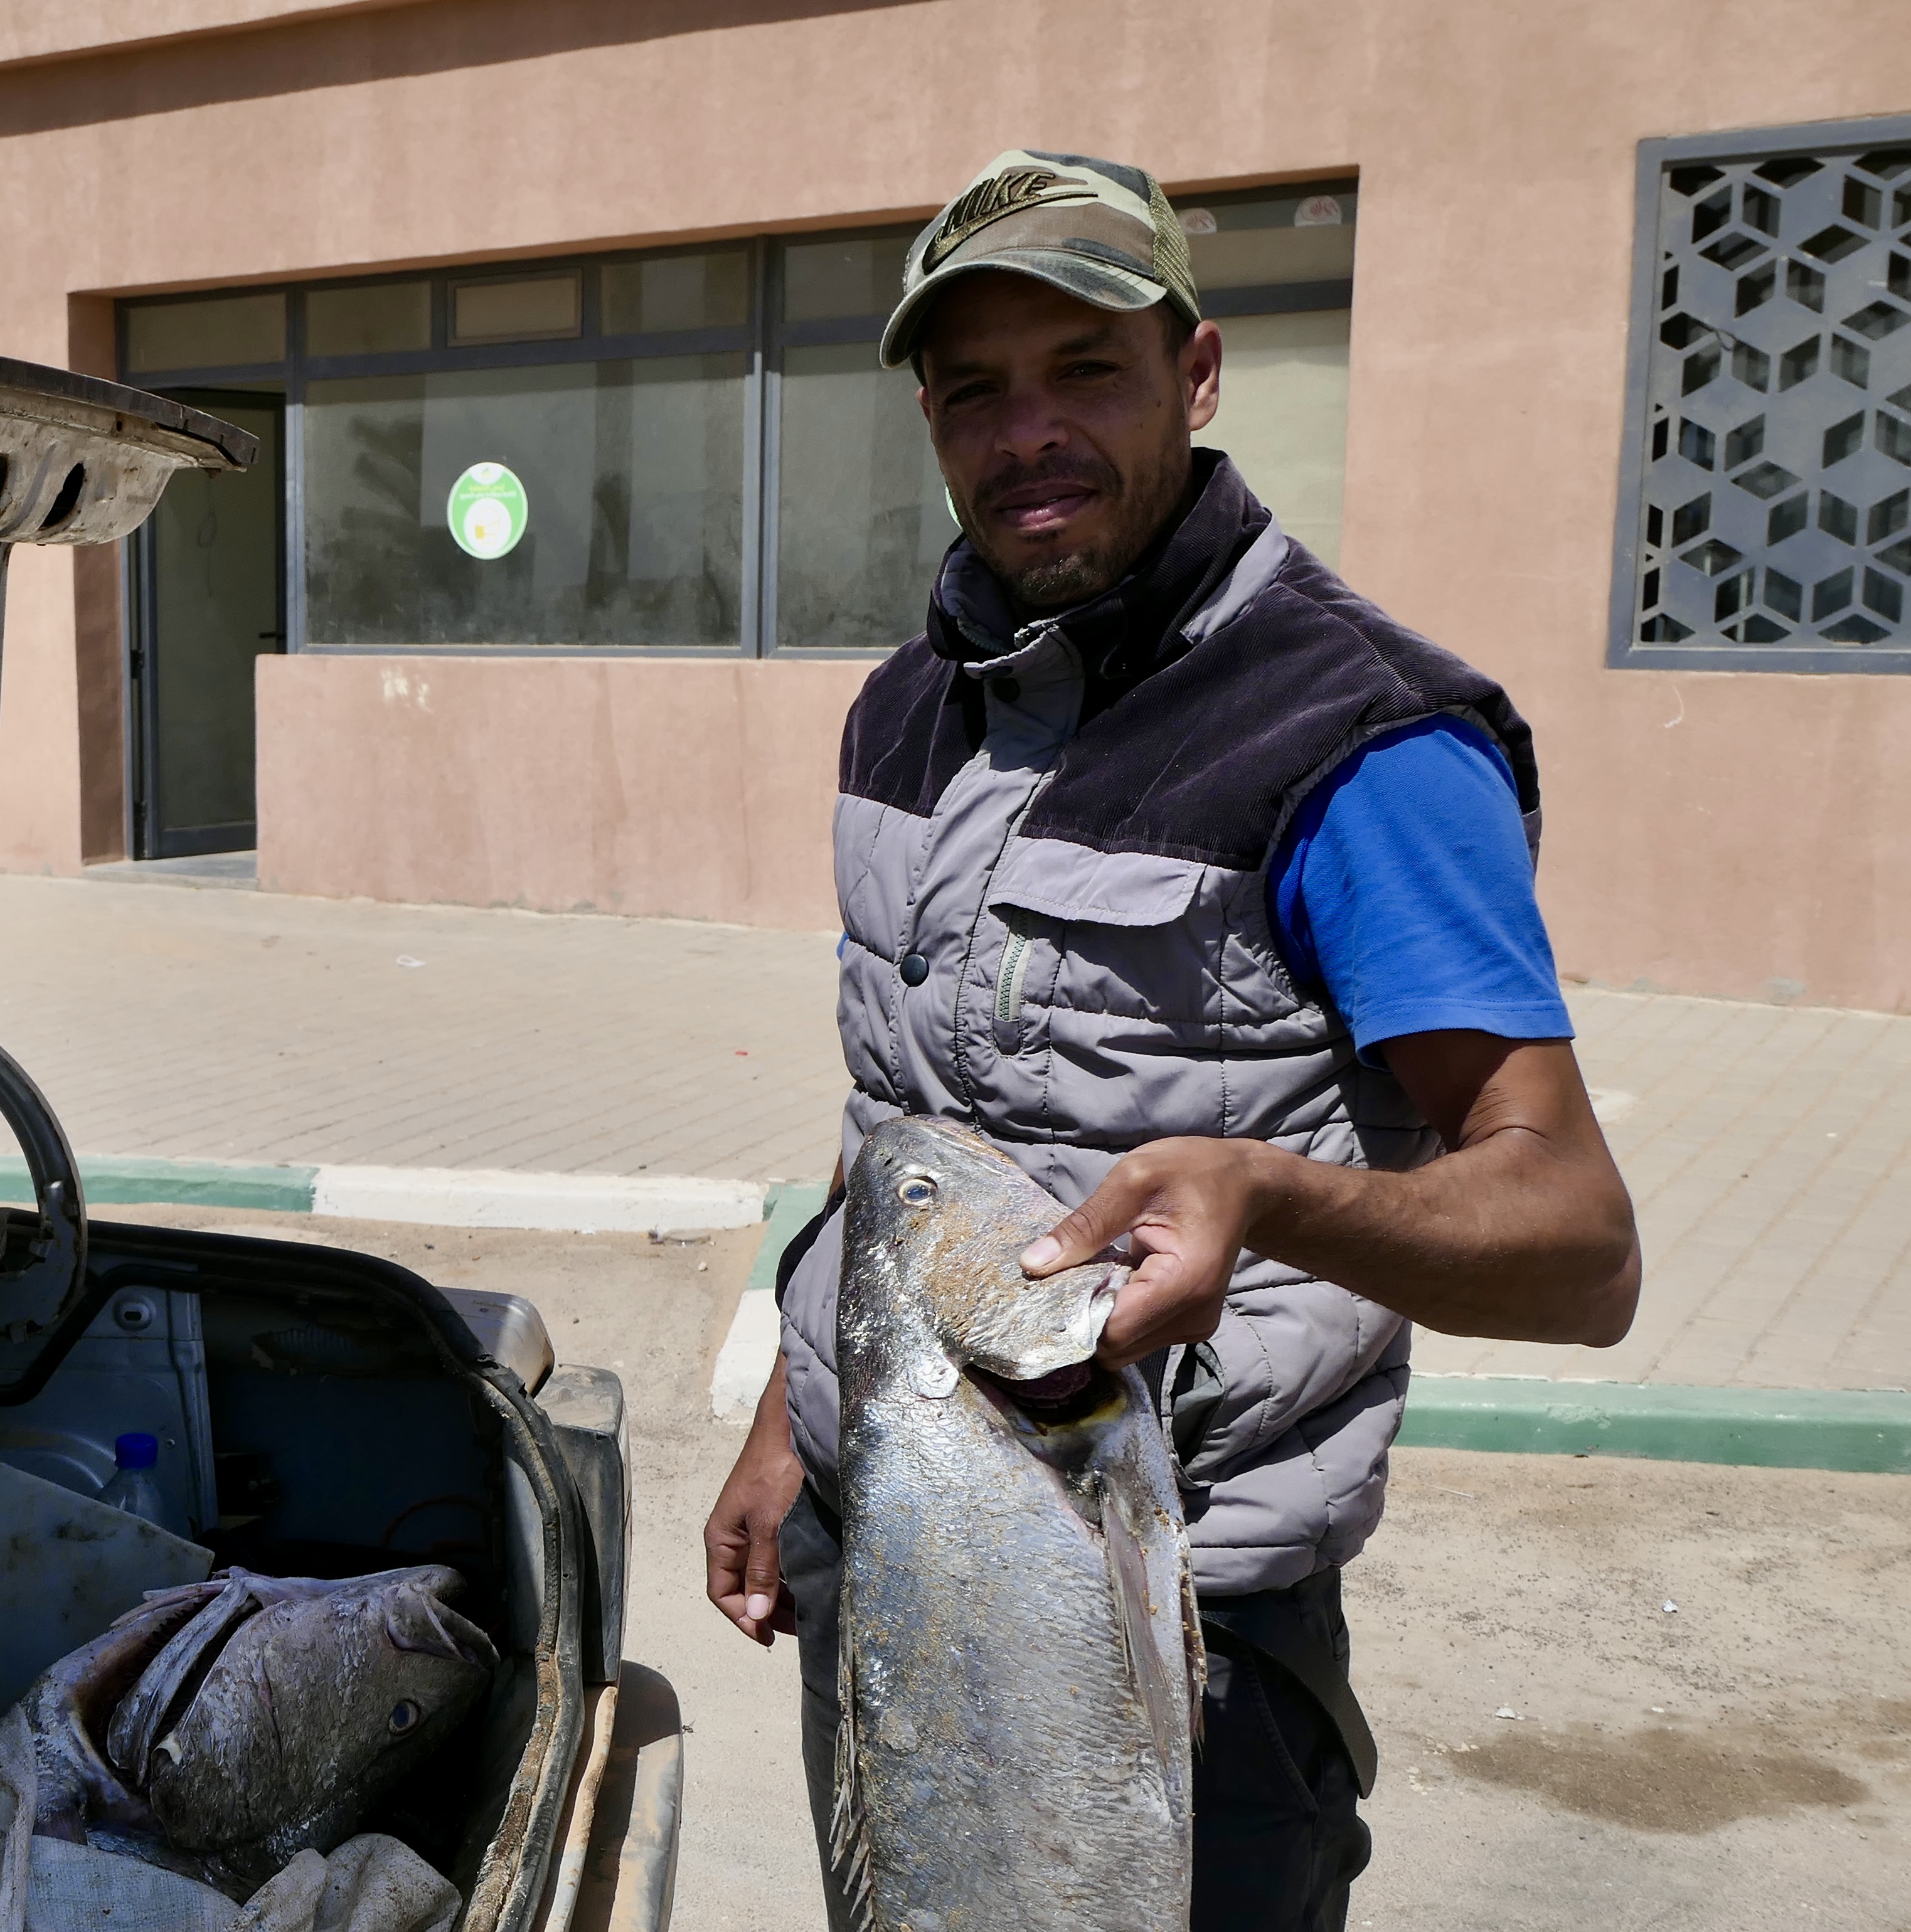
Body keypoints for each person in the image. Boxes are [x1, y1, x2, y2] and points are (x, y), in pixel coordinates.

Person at [699, 150, 1641, 1931]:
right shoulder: (911, 710)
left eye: (1086, 370)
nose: (1026, 430)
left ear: (1197, 378)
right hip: (893, 1570)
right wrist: (783, 1421)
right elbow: (903, 1131)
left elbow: (1580, 1244)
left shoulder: (1359, 744)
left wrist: (1266, 1202)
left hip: (1169, 1649)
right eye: (975, 388)